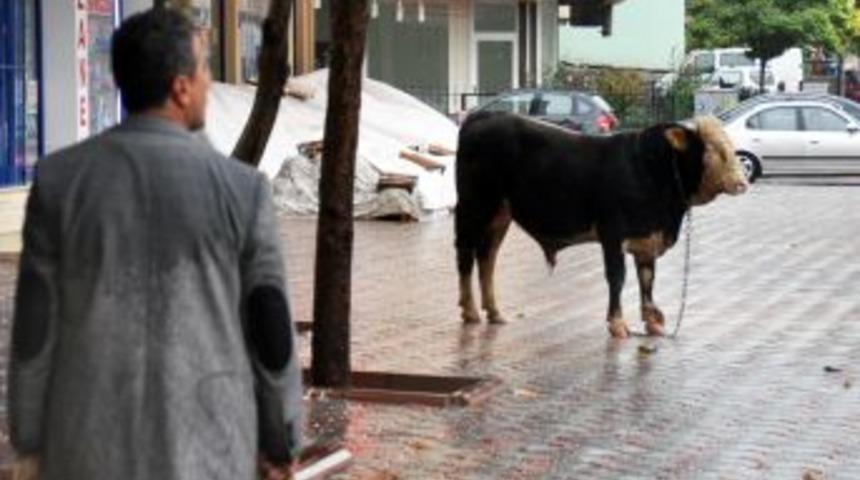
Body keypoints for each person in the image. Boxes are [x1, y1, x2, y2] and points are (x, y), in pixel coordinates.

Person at [6, 8, 302, 480]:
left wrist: (28, 436)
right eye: (204, 69)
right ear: (181, 88)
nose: (208, 82)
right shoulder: (242, 191)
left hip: (84, 446)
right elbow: (270, 328)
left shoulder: (59, 181)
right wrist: (280, 439)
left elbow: (34, 325)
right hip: (211, 448)